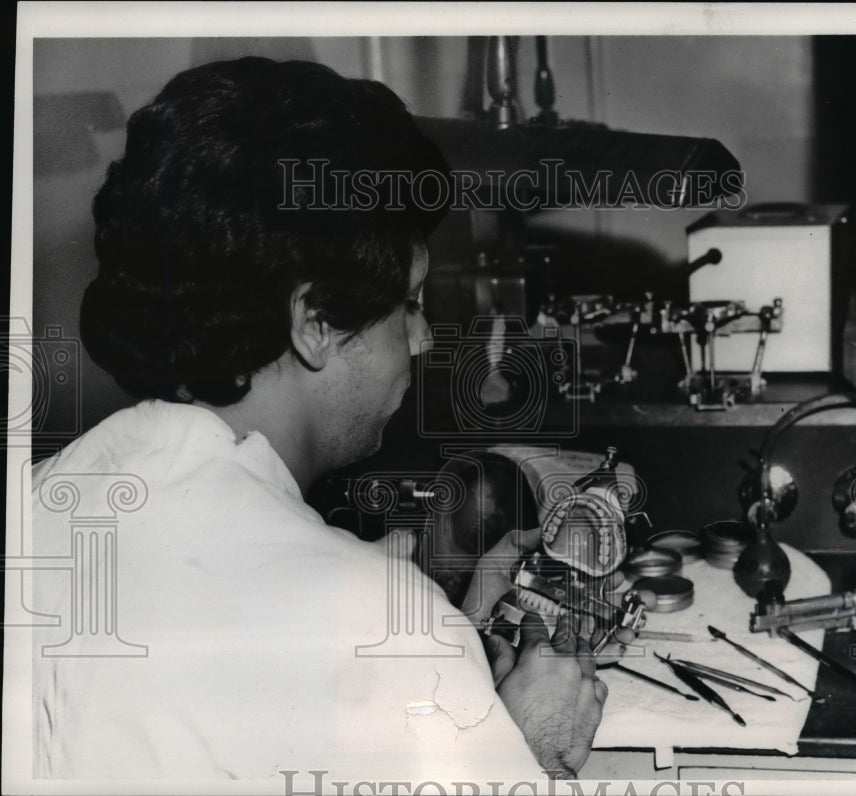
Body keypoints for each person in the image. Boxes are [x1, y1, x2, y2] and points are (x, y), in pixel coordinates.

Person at [31, 57, 606, 786]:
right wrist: (527, 752)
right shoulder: (377, 626)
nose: (425, 338)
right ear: (316, 323)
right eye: (411, 302)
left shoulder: (42, 502)